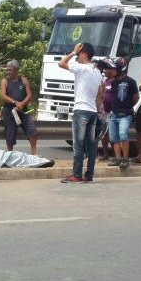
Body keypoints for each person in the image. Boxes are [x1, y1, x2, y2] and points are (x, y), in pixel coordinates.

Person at [58, 42, 103, 183]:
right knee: (90, 145)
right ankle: (89, 175)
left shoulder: (82, 68)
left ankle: (76, 175)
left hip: (81, 110)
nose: (76, 57)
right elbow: (100, 93)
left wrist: (72, 51)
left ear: (84, 54)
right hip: (92, 111)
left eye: (78, 54)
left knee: (78, 144)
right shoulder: (97, 72)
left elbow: (61, 63)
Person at [102, 57, 138, 169]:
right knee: (114, 138)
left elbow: (135, 97)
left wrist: (128, 107)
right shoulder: (113, 82)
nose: (109, 71)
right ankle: (118, 158)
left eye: (112, 68)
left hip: (125, 114)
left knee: (123, 135)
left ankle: (125, 158)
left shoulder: (131, 81)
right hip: (114, 113)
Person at [0, 60, 38, 155]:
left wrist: (22, 104)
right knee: (10, 132)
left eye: (10, 70)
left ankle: (34, 153)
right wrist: (15, 102)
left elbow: (29, 95)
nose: (8, 72)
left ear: (16, 70)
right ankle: (10, 154)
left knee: (32, 130)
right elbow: (3, 95)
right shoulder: (5, 81)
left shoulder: (24, 80)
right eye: (7, 70)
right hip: (10, 110)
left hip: (23, 110)